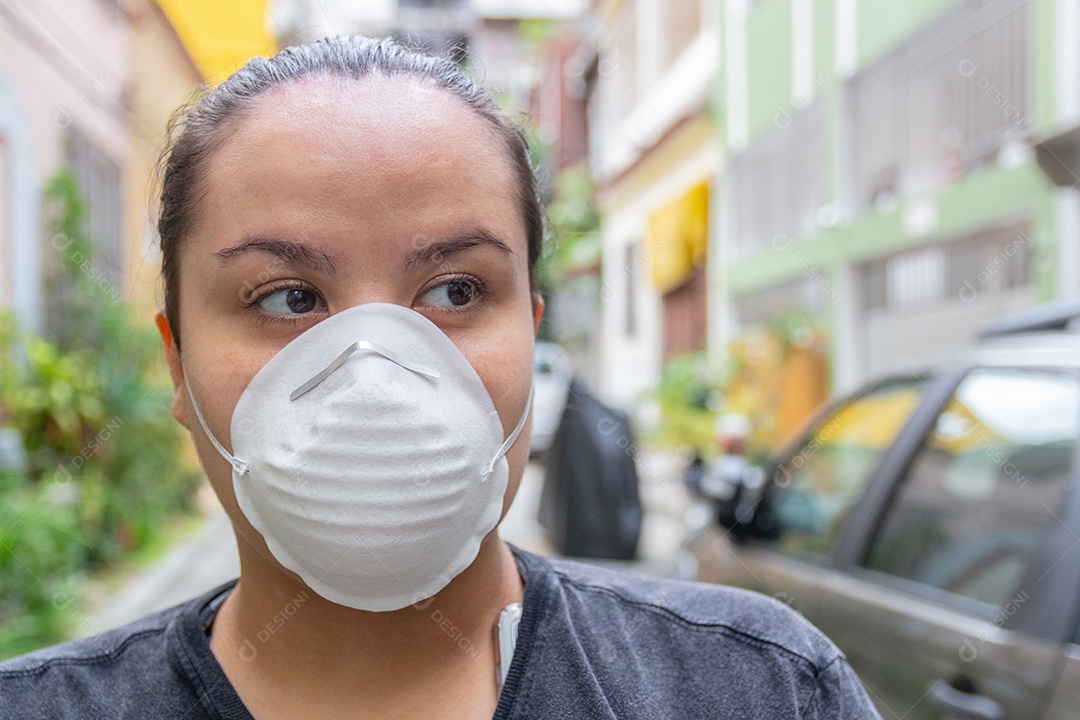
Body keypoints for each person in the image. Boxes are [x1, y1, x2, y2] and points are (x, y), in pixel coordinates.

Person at [0, 36, 882, 719]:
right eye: (287, 296)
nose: (374, 372)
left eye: (456, 289)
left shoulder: (755, 688)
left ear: (530, 335)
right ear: (177, 365)